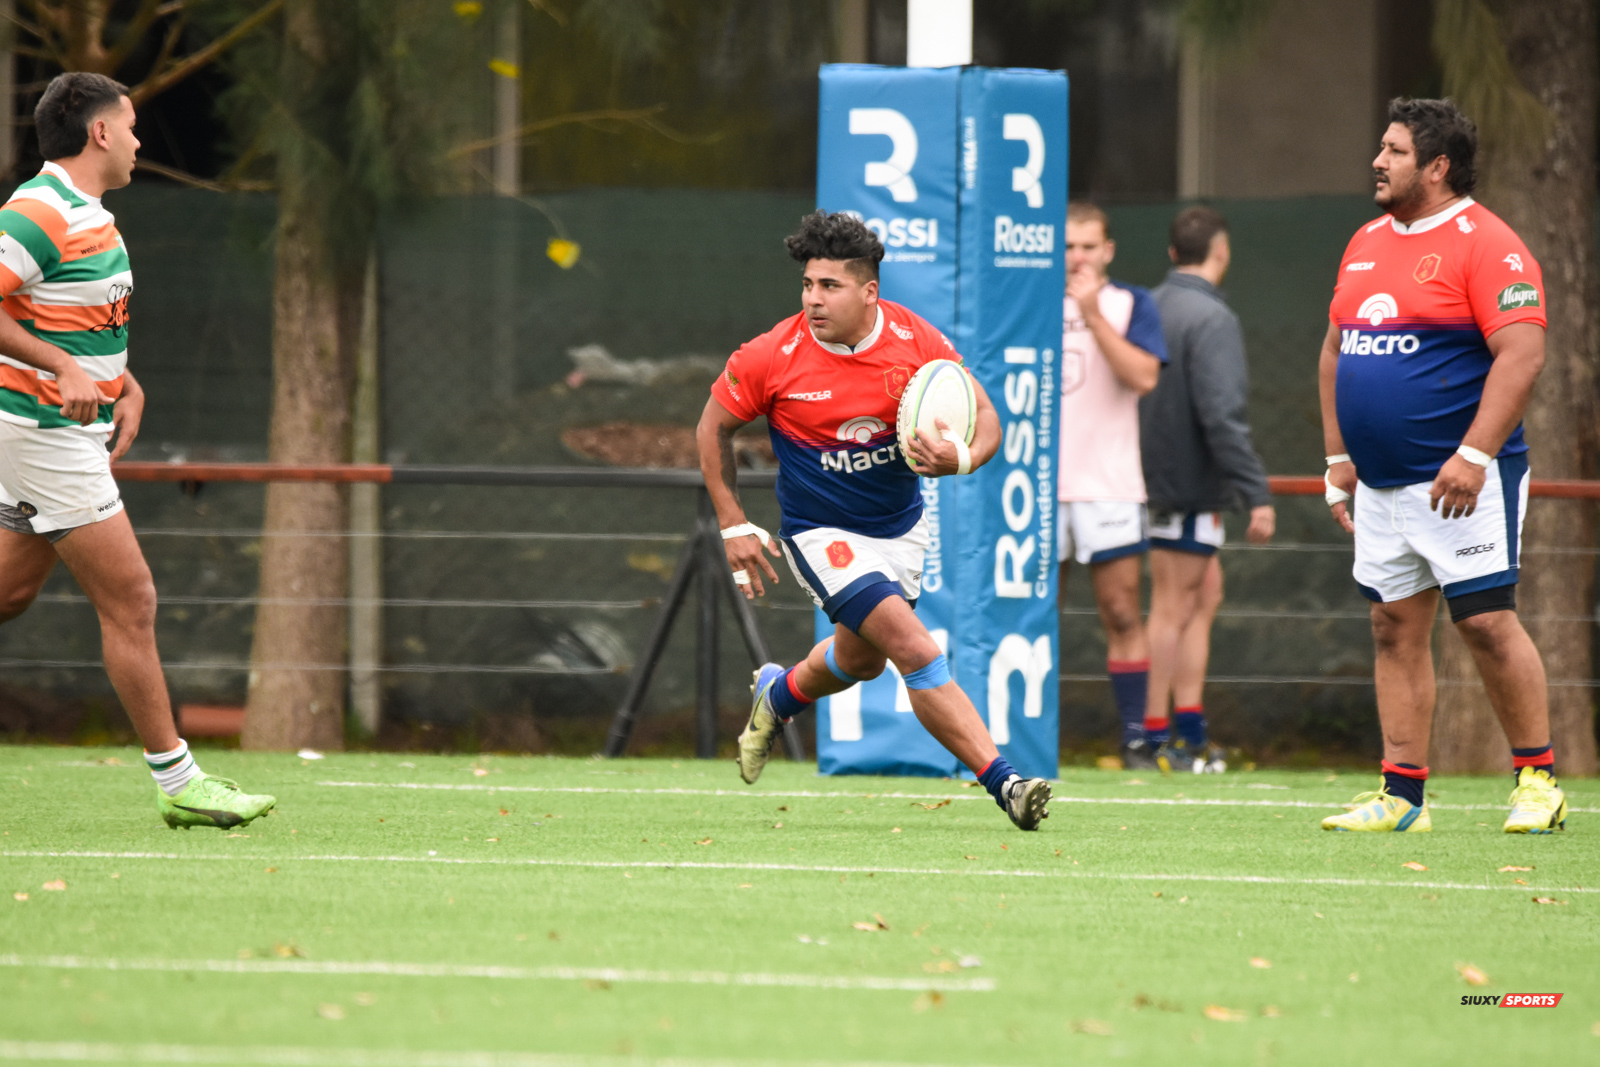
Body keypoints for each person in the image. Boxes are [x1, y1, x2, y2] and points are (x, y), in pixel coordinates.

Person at [697, 210, 1052, 831]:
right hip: (821, 533)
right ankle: (1007, 784)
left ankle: (776, 697)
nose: (813, 299)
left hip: (901, 527)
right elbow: (712, 427)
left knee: (859, 661)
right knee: (915, 648)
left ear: (869, 291)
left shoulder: (918, 343)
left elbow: (988, 418)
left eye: (829, 286)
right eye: (808, 284)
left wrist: (961, 457)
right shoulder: (772, 355)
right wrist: (733, 524)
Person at [0, 73, 274, 829]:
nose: (138, 140)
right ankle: (178, 779)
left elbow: (68, 317)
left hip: (60, 431)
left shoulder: (90, 214)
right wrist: (61, 370)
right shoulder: (40, 210)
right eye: (130, 126)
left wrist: (123, 382)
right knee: (133, 599)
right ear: (98, 134)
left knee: (10, 595)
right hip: (45, 436)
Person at [1319, 98, 1564, 834]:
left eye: (1393, 150)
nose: (1377, 160)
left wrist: (1473, 453)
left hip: (1464, 481)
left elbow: (1523, 353)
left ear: (1437, 165)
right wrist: (1338, 457)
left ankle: (1537, 780)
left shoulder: (1489, 243)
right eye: (1381, 148)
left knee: (1487, 622)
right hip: (1382, 484)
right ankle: (1402, 799)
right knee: (1392, 626)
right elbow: (1336, 350)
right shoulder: (1364, 239)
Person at [1140, 206, 1276, 773]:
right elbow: (1222, 414)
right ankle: (1153, 741)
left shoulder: (1147, 306)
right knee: (1171, 606)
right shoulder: (1212, 318)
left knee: (1205, 594)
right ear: (1220, 253)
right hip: (1188, 486)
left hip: (1150, 479)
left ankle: (1189, 729)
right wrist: (1256, 492)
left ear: (1173, 253)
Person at [1055, 202, 1166, 769]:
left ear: (1108, 250)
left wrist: (1094, 314)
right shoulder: (1027, 299)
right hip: (1037, 491)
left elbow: (1144, 376)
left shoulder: (1131, 302)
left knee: (1122, 613)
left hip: (1109, 487)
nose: (1077, 256)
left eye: (1088, 246)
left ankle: (1135, 740)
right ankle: (1027, 738)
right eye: (1068, 245)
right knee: (1033, 616)